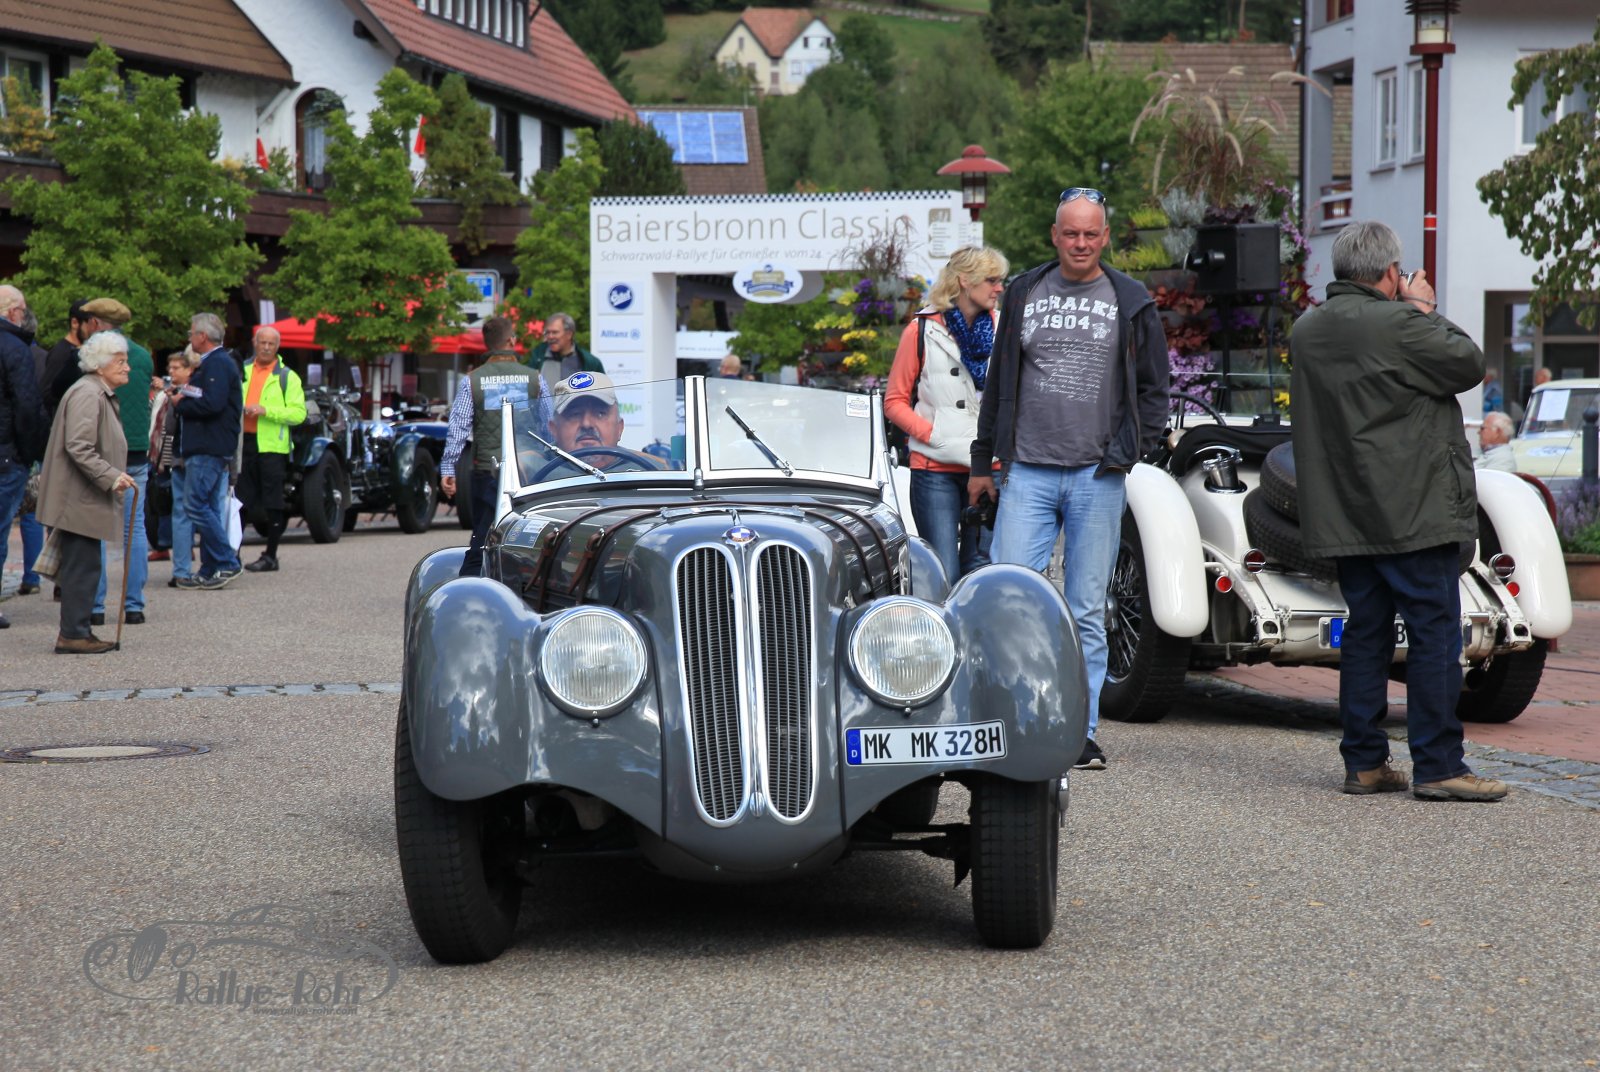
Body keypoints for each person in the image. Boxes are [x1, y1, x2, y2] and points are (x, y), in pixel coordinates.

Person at [1290, 219, 1507, 802]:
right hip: (1412, 510)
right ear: (1390, 272)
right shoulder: (1401, 324)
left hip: (1347, 510)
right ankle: (1439, 765)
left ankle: (1364, 763)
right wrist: (1422, 307)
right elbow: (1467, 363)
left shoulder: (1308, 329)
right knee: (1435, 632)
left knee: (1366, 634)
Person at [969, 188, 1170, 773]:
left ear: (1104, 237)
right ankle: (1009, 724)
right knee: (1010, 601)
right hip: (1027, 471)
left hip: (1096, 476)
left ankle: (1077, 733)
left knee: (1085, 610)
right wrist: (982, 462)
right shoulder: (1023, 292)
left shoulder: (1131, 300)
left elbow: (1154, 387)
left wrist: (1133, 449)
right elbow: (999, 383)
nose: (1080, 243)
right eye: (1071, 233)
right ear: (1054, 236)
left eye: (1090, 233)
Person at [885, 245, 1008, 582]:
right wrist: (933, 435)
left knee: (981, 574)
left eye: (1001, 280)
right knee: (942, 573)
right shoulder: (921, 330)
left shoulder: (1005, 330)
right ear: (965, 280)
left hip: (990, 465)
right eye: (992, 280)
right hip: (934, 468)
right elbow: (894, 401)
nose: (999, 288)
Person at [37, 331, 138, 653]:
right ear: (100, 365)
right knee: (82, 567)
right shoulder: (88, 393)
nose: (127, 368)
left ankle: (77, 630)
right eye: (120, 362)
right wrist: (111, 476)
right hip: (78, 497)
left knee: (85, 565)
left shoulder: (95, 391)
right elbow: (78, 446)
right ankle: (73, 634)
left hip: (83, 497)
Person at [441, 315, 551, 578]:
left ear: (486, 344)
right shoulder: (535, 378)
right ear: (512, 340)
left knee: (483, 535)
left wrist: (448, 468)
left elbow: (458, 429)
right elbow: (549, 426)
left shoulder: (472, 380)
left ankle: (470, 583)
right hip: (528, 469)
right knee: (528, 532)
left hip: (487, 470)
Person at [81, 299, 154, 626]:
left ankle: (96, 606)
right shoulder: (142, 356)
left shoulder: (96, 356)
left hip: (103, 451)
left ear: (96, 323)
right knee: (133, 528)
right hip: (136, 450)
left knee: (98, 527)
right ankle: (134, 605)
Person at [167, 312, 242, 589]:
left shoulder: (217, 363)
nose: (189, 338)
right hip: (210, 445)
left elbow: (213, 403)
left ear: (202, 336)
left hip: (209, 445)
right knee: (208, 506)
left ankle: (227, 561)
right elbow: (208, 397)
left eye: (191, 333)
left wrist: (181, 404)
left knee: (194, 504)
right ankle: (210, 567)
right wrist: (186, 393)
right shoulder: (213, 364)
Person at [236, 326, 306, 573]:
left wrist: (267, 410)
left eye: (271, 344)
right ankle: (233, 554)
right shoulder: (242, 370)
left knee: (273, 502)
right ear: (254, 343)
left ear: (277, 347)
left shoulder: (287, 376)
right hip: (243, 444)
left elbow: (298, 414)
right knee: (239, 501)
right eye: (262, 342)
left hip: (272, 447)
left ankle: (271, 555)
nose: (266, 348)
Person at [0, 283, 47, 628]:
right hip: (7, 456)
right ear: (14, 312)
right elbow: (28, 406)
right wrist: (30, 454)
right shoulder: (15, 347)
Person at [527, 312, 604, 389]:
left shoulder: (588, 361)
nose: (550, 336)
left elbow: (604, 392)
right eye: (547, 332)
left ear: (569, 334)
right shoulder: (538, 356)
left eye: (555, 332)